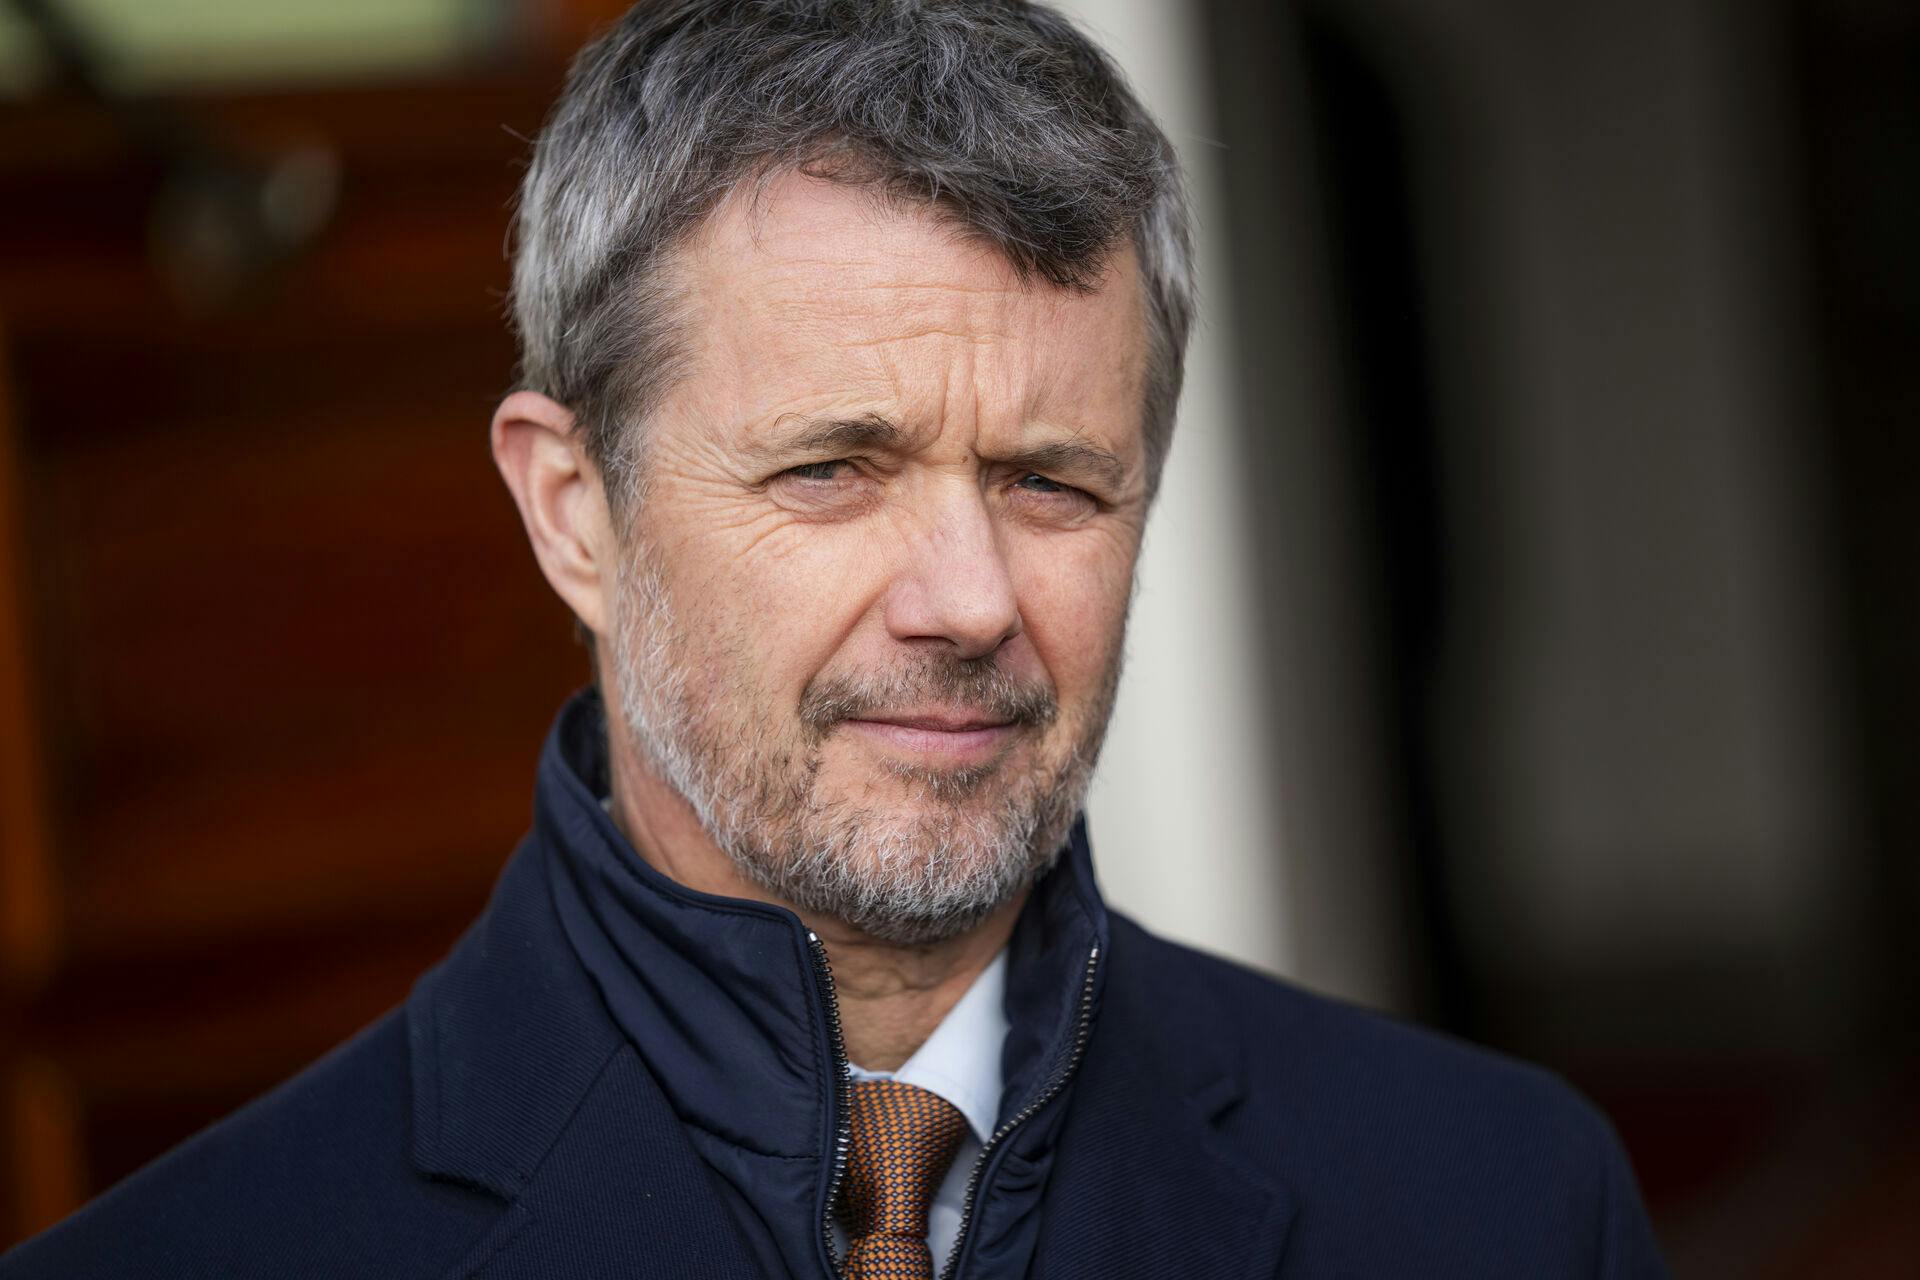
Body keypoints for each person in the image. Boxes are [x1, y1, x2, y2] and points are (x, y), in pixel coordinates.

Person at [1, 2, 1670, 1277]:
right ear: (574, 510)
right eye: (833, 470)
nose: (966, 596)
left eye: (1051, 481)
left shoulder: (1503, 1206)